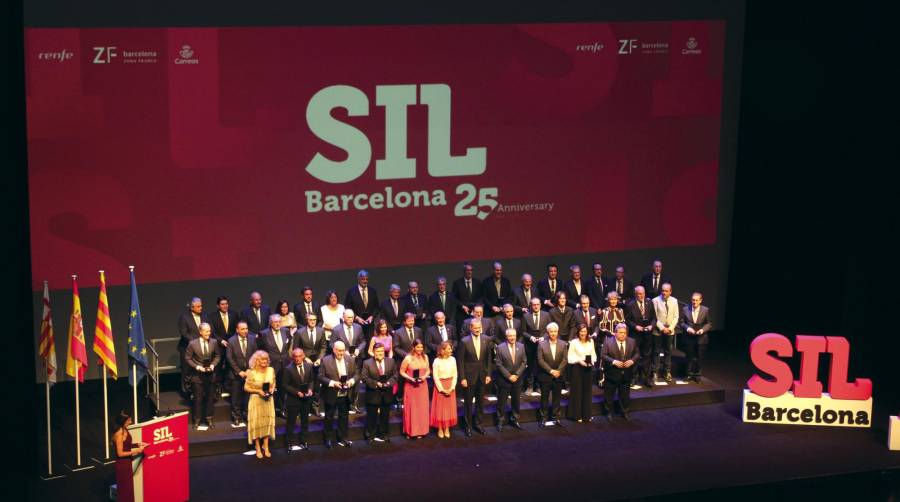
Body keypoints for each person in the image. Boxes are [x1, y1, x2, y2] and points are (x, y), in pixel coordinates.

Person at [456, 320, 492, 436]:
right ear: (471, 328)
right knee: (468, 403)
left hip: (482, 376)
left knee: (480, 403)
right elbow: (460, 361)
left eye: (479, 327)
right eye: (476, 328)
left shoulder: (486, 339)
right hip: (469, 377)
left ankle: (479, 425)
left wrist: (488, 375)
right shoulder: (464, 341)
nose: (478, 330)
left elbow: (488, 359)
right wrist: (462, 378)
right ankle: (468, 426)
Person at [318, 341, 358, 448]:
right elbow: (320, 377)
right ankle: (328, 439)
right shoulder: (326, 360)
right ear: (334, 350)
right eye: (339, 350)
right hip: (331, 394)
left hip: (345, 394)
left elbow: (356, 374)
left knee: (344, 417)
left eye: (343, 350)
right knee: (329, 417)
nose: (341, 353)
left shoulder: (350, 359)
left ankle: (343, 438)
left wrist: (351, 381)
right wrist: (333, 383)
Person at [184, 322, 220, 429]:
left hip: (210, 375)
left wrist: (213, 365)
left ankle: (209, 419)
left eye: (209, 331)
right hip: (197, 376)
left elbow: (217, 355)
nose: (208, 333)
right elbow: (188, 358)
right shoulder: (192, 343)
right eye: (206, 331)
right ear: (200, 332)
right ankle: (197, 421)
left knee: (210, 398)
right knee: (198, 399)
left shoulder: (214, 342)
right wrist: (197, 367)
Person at [601, 324, 639, 420]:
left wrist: (632, 361)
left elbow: (637, 353)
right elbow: (603, 355)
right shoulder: (608, 342)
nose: (623, 335)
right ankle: (608, 412)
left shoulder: (632, 341)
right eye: (621, 333)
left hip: (626, 373)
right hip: (612, 373)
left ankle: (625, 411)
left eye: (624, 333)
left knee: (625, 395)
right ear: (616, 333)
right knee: (609, 395)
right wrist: (613, 361)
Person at [361, 343, 397, 443]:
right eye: (378, 351)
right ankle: (370, 436)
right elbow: (364, 378)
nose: (380, 353)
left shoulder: (391, 361)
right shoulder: (367, 363)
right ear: (373, 352)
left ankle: (384, 434)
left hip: (387, 393)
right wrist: (376, 383)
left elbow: (395, 375)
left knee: (385, 416)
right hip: (373, 393)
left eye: (382, 351)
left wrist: (389, 383)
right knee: (371, 416)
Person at [292, 313, 327, 416]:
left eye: (315, 320)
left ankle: (315, 407)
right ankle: (302, 409)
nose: (313, 321)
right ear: (306, 320)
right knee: (303, 385)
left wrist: (320, 359)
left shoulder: (321, 331)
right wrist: (304, 358)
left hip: (317, 362)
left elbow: (323, 347)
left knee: (316, 386)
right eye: (311, 320)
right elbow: (296, 348)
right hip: (304, 362)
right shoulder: (299, 332)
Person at [257, 314, 291, 415]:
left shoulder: (286, 331)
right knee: (268, 388)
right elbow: (260, 349)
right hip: (270, 365)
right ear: (271, 323)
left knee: (283, 388)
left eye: (279, 322)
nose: (278, 324)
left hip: (284, 364)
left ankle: (282, 409)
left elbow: (287, 346)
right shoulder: (264, 334)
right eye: (275, 322)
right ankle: (267, 410)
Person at [332, 309, 366, 413]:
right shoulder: (337, 329)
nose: (351, 319)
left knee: (355, 382)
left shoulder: (358, 328)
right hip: (342, 359)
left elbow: (363, 341)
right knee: (342, 381)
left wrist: (358, 350)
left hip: (356, 359)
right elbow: (331, 344)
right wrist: (343, 351)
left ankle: (353, 404)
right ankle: (340, 405)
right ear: (344, 317)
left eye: (352, 317)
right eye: (349, 317)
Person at [244, 350, 276, 458]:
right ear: (257, 360)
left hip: (268, 400)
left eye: (266, 360)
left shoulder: (271, 370)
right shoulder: (251, 372)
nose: (265, 362)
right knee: (257, 424)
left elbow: (273, 382)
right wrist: (258, 391)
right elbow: (246, 387)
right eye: (262, 360)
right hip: (256, 400)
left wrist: (272, 389)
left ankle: (265, 446)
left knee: (267, 423)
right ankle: (257, 447)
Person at [282, 348, 315, 451]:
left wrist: (310, 389)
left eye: (299, 356)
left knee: (305, 422)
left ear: (303, 356)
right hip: (293, 400)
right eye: (295, 356)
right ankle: (288, 443)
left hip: (305, 399)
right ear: (292, 357)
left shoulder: (309, 366)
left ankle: (304, 441)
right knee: (290, 422)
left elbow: (312, 380)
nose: (297, 358)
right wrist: (297, 392)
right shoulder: (288, 369)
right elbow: (285, 385)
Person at [494, 328, 526, 431]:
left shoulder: (521, 346)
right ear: (506, 337)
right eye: (510, 336)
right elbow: (498, 364)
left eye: (514, 336)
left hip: (517, 379)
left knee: (516, 401)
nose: (512, 338)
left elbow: (524, 362)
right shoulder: (500, 347)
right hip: (504, 380)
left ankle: (515, 420)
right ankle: (500, 421)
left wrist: (516, 375)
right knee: (502, 402)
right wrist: (509, 376)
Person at [225, 321, 256, 427]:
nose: (245, 331)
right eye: (242, 329)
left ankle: (247, 415)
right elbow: (230, 358)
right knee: (236, 398)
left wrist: (250, 369)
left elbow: (255, 355)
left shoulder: (252, 339)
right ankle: (236, 417)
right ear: (237, 330)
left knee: (248, 397)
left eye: (246, 328)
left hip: (249, 373)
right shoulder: (231, 341)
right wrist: (239, 371)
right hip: (235, 375)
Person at [537, 323, 567, 427]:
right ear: (548, 332)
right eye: (551, 331)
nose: (553, 333)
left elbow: (565, 359)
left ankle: (556, 417)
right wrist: (551, 371)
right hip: (546, 376)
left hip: (558, 376)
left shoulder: (563, 344)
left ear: (557, 332)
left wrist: (558, 371)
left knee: (557, 398)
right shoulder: (541, 344)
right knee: (544, 398)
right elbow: (540, 360)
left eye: (555, 331)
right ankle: (543, 418)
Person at [625, 286, 656, 387]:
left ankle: (646, 379)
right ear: (635, 294)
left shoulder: (649, 302)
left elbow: (654, 318)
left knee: (647, 357)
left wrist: (652, 325)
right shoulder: (630, 305)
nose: (641, 295)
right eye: (639, 294)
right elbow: (627, 320)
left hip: (647, 335)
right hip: (635, 335)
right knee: (635, 357)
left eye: (643, 293)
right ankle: (633, 378)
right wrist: (635, 326)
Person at [400, 339, 431, 439]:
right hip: (411, 386)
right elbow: (402, 371)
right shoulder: (408, 358)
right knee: (412, 409)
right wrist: (410, 378)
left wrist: (424, 377)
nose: (420, 349)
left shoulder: (425, 357)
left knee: (422, 409)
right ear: (413, 347)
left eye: (421, 347)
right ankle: (410, 431)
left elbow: (428, 370)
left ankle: (421, 431)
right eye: (418, 347)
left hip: (422, 386)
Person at [177, 297, 208, 395]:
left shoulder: (205, 316)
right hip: (187, 348)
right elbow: (184, 333)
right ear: (192, 307)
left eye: (201, 306)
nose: (201, 308)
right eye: (198, 306)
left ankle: (200, 391)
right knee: (187, 370)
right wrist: (197, 342)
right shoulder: (184, 317)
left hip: (201, 348)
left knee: (200, 368)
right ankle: (187, 392)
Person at [113, 410, 146, 502]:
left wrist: (137, 444)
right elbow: (120, 453)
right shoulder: (119, 433)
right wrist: (136, 451)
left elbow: (126, 445)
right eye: (129, 420)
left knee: (129, 490)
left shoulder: (124, 429)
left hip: (127, 463)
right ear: (123, 421)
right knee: (125, 492)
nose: (130, 422)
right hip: (122, 465)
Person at [679, 292, 712, 382]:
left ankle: (697, 374)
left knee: (699, 357)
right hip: (689, 337)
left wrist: (703, 330)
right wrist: (688, 328)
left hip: (701, 338)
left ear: (700, 301)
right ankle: (688, 374)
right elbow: (681, 322)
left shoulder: (705, 310)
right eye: (693, 300)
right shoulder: (685, 309)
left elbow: (709, 323)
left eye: (696, 300)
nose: (694, 302)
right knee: (689, 356)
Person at [567, 324, 597, 423]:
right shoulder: (574, 342)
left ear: (587, 332)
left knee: (587, 392)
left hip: (588, 369)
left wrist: (592, 361)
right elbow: (570, 357)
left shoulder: (591, 341)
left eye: (584, 331)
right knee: (577, 392)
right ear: (578, 332)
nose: (583, 333)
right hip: (577, 368)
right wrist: (580, 361)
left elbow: (593, 354)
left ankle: (587, 415)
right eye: (581, 331)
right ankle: (576, 415)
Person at [522, 297, 550, 396]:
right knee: (530, 366)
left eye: (538, 304)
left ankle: (538, 386)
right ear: (531, 305)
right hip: (530, 345)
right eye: (534, 305)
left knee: (540, 366)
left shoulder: (546, 315)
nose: (536, 306)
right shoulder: (526, 316)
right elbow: (523, 331)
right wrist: (530, 337)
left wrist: (544, 337)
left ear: (540, 305)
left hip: (543, 345)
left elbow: (549, 330)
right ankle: (530, 386)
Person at [652, 283, 679, 383]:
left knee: (668, 351)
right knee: (656, 351)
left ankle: (667, 372)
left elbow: (676, 316)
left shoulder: (674, 301)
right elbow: (654, 317)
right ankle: (655, 372)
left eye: (666, 291)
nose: (664, 292)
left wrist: (670, 328)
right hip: (658, 330)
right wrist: (662, 328)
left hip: (670, 330)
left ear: (670, 291)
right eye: (663, 290)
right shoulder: (655, 300)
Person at [430, 341, 458, 439]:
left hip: (450, 385)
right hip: (440, 387)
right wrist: (442, 389)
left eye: (451, 348)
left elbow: (455, 374)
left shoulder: (453, 359)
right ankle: (440, 428)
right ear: (442, 350)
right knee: (440, 408)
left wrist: (452, 387)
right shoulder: (436, 361)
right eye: (449, 348)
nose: (451, 350)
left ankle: (447, 428)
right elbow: (435, 377)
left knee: (448, 408)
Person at [344, 269, 378, 338]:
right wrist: (356, 317)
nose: (365, 281)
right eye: (363, 279)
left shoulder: (372, 291)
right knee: (359, 344)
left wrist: (372, 316)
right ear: (358, 279)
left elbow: (377, 307)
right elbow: (347, 307)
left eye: (366, 279)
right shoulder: (351, 292)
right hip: (356, 324)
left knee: (369, 344)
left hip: (369, 325)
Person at [451, 262, 482, 330]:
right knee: (462, 333)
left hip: (475, 313)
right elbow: (454, 298)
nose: (469, 272)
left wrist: (476, 307)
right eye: (467, 270)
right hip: (461, 314)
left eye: (471, 270)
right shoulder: (457, 283)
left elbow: (480, 297)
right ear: (464, 271)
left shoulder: (477, 282)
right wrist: (462, 306)